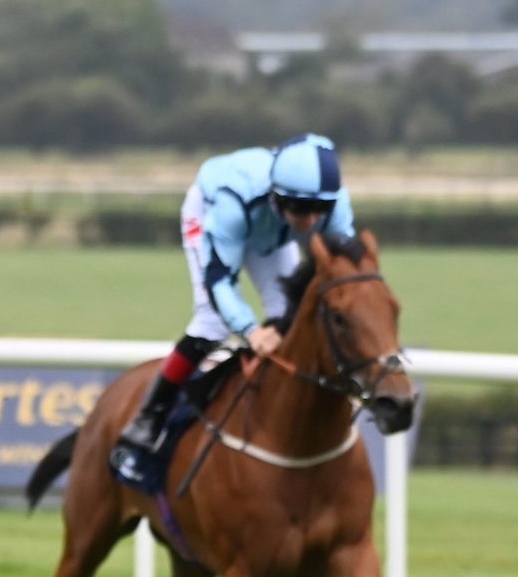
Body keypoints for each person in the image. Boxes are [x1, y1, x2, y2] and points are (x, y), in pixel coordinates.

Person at [110, 133, 356, 484]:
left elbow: (342, 269)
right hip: (213, 212)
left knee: (291, 311)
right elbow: (219, 280)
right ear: (278, 196)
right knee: (213, 322)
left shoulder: (334, 202)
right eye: (301, 209)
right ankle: (150, 416)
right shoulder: (233, 200)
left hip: (269, 229)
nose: (312, 220)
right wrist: (251, 332)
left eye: (320, 209)